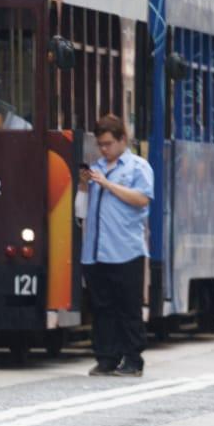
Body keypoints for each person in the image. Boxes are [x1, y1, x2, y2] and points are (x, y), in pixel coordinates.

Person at [79, 114, 154, 378]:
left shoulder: (137, 167)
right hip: (96, 252)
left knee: (128, 308)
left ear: (123, 140)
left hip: (125, 250)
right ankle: (106, 358)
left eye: (109, 143)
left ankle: (133, 359)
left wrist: (108, 184)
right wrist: (84, 186)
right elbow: (81, 210)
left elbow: (142, 199)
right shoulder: (97, 168)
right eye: (100, 144)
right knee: (102, 309)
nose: (104, 149)